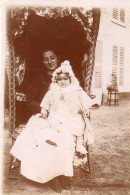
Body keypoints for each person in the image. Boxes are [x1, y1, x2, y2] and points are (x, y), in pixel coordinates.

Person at [10, 60, 94, 193]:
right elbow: (44, 102)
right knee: (46, 141)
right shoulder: (52, 90)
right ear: (55, 79)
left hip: (69, 122)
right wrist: (43, 110)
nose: (62, 82)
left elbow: (85, 102)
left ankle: (63, 174)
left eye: (65, 79)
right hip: (52, 120)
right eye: (59, 79)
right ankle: (51, 177)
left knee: (66, 142)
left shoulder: (76, 90)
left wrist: (85, 110)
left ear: (70, 79)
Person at [26, 49, 60, 119]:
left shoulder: (66, 78)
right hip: (45, 115)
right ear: (42, 62)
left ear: (58, 59)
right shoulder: (38, 81)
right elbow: (31, 100)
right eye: (46, 59)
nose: (50, 62)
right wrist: (43, 108)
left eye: (52, 58)